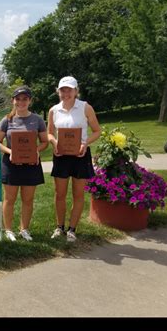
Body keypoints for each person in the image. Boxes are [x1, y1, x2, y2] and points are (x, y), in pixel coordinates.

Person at [47, 76, 101, 242]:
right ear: (58, 92)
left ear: (76, 91)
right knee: (60, 194)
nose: (66, 93)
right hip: (61, 156)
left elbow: (97, 131)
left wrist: (85, 144)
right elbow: (49, 133)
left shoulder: (85, 107)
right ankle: (59, 227)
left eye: (69, 90)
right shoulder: (53, 110)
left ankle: (72, 229)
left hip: (80, 155)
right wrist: (54, 143)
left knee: (78, 194)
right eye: (63, 90)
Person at [0, 86, 48, 242]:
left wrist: (36, 150)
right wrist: (11, 152)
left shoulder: (38, 120)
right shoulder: (7, 120)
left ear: (30, 101)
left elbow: (45, 142)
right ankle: (8, 230)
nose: (21, 102)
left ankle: (24, 229)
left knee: (28, 199)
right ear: (13, 101)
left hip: (31, 164)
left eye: (25, 99)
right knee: (9, 199)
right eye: (18, 99)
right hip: (11, 164)